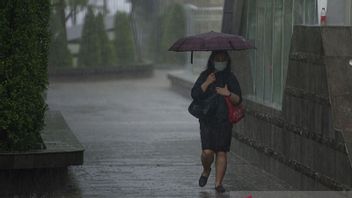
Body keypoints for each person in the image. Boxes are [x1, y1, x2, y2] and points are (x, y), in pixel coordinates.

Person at [191, 50, 242, 193]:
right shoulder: (205, 76)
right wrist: (207, 83)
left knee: (221, 152)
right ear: (212, 60)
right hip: (207, 120)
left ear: (227, 61)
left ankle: (218, 184)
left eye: (223, 59)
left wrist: (228, 94)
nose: (221, 62)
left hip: (224, 121)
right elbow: (194, 94)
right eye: (218, 59)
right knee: (207, 152)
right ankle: (206, 170)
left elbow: (238, 100)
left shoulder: (230, 78)